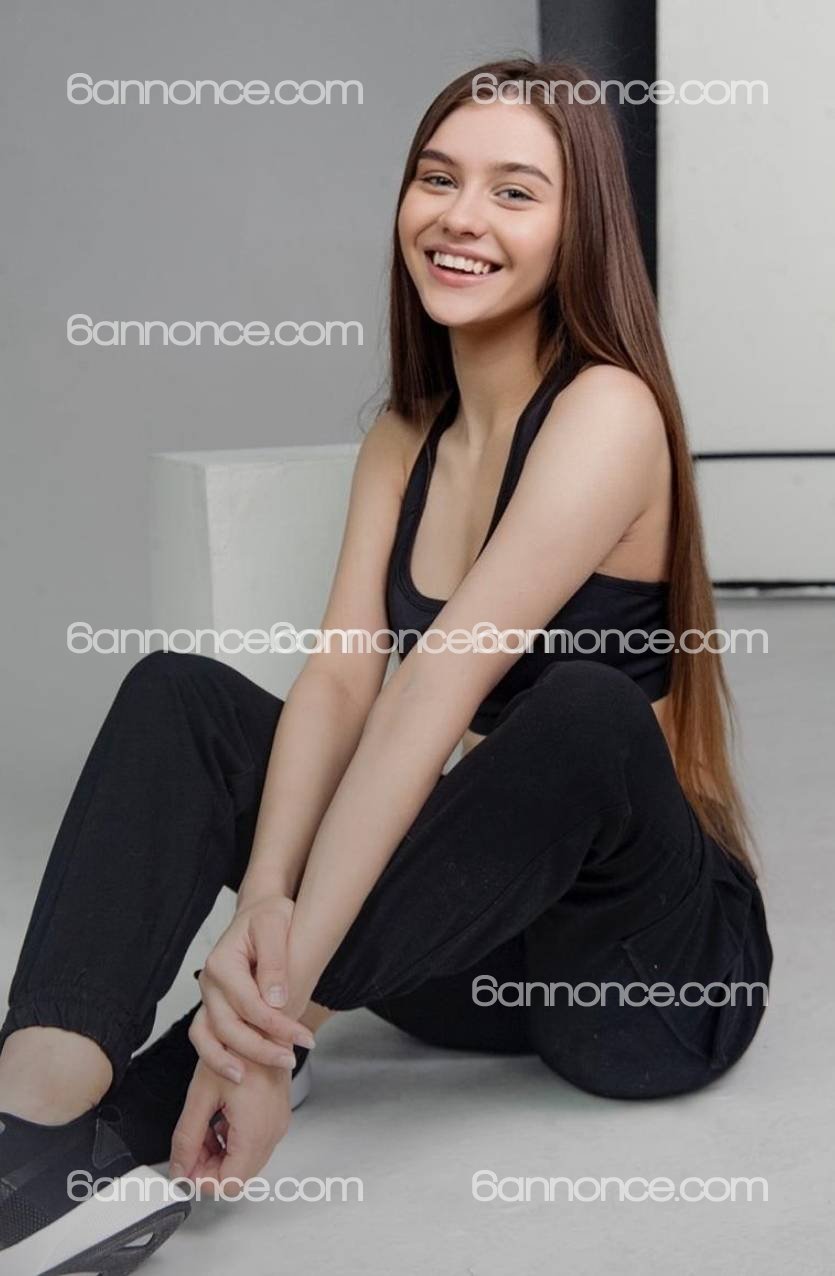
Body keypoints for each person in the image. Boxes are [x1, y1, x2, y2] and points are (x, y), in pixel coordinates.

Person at [0, 57, 773, 1273]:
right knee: (178, 695)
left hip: (639, 984)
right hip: (459, 948)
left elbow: (434, 686)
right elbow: (341, 684)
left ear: (578, 229)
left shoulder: (608, 412)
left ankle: (194, 1079)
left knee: (582, 713)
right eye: (436, 178)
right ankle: (31, 1122)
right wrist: (267, 894)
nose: (461, 217)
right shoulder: (405, 435)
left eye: (513, 191)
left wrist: (264, 1022)